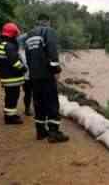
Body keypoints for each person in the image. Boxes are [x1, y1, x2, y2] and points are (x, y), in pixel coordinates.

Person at [25, 13, 69, 143]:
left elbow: (27, 56)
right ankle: (54, 133)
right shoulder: (48, 31)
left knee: (38, 103)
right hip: (46, 75)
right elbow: (52, 51)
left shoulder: (29, 35)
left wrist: (32, 71)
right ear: (47, 21)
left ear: (37, 21)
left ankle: (40, 132)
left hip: (34, 76)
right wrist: (56, 70)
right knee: (52, 103)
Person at [0, 23, 26, 125]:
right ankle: (10, 118)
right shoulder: (10, 46)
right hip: (12, 77)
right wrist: (24, 68)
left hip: (4, 76)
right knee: (13, 97)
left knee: (9, 96)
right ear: (13, 34)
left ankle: (10, 114)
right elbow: (15, 63)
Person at [18, 33, 33, 116]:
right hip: (31, 75)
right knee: (30, 93)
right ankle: (28, 109)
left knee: (28, 93)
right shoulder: (31, 51)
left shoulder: (20, 52)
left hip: (25, 76)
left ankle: (27, 109)